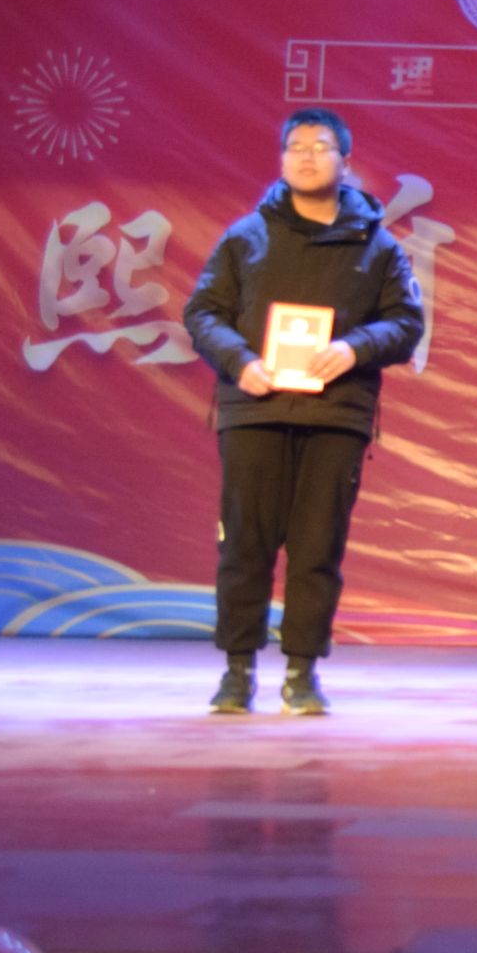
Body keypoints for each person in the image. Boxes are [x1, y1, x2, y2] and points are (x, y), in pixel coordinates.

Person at [184, 107, 423, 715]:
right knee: (245, 543)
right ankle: (237, 670)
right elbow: (203, 312)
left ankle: (302, 671)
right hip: (254, 407)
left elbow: (405, 322)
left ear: (346, 160)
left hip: (336, 414)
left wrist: (353, 347)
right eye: (295, 146)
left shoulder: (377, 245)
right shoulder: (247, 235)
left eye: (320, 146)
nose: (306, 156)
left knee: (318, 547)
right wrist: (239, 361)